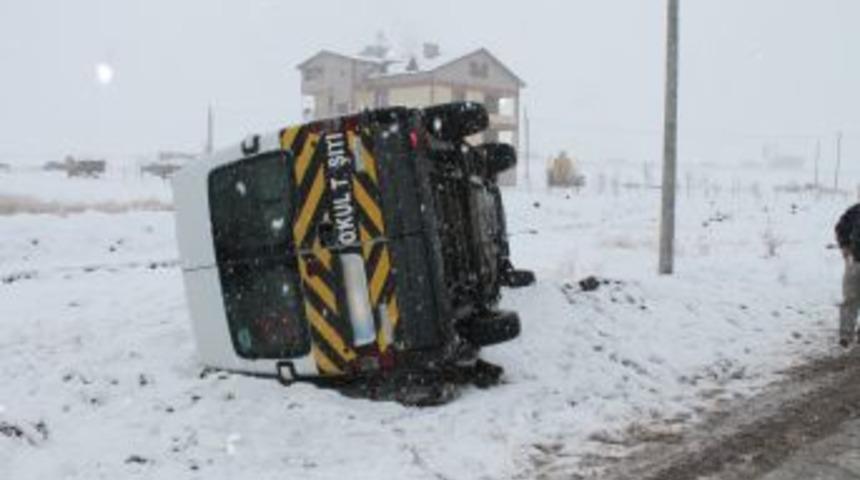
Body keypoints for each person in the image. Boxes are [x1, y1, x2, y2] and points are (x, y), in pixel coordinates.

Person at [835, 203, 860, 347]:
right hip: (855, 262)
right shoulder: (856, 211)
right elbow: (841, 228)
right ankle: (845, 335)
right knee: (850, 299)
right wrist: (844, 246)